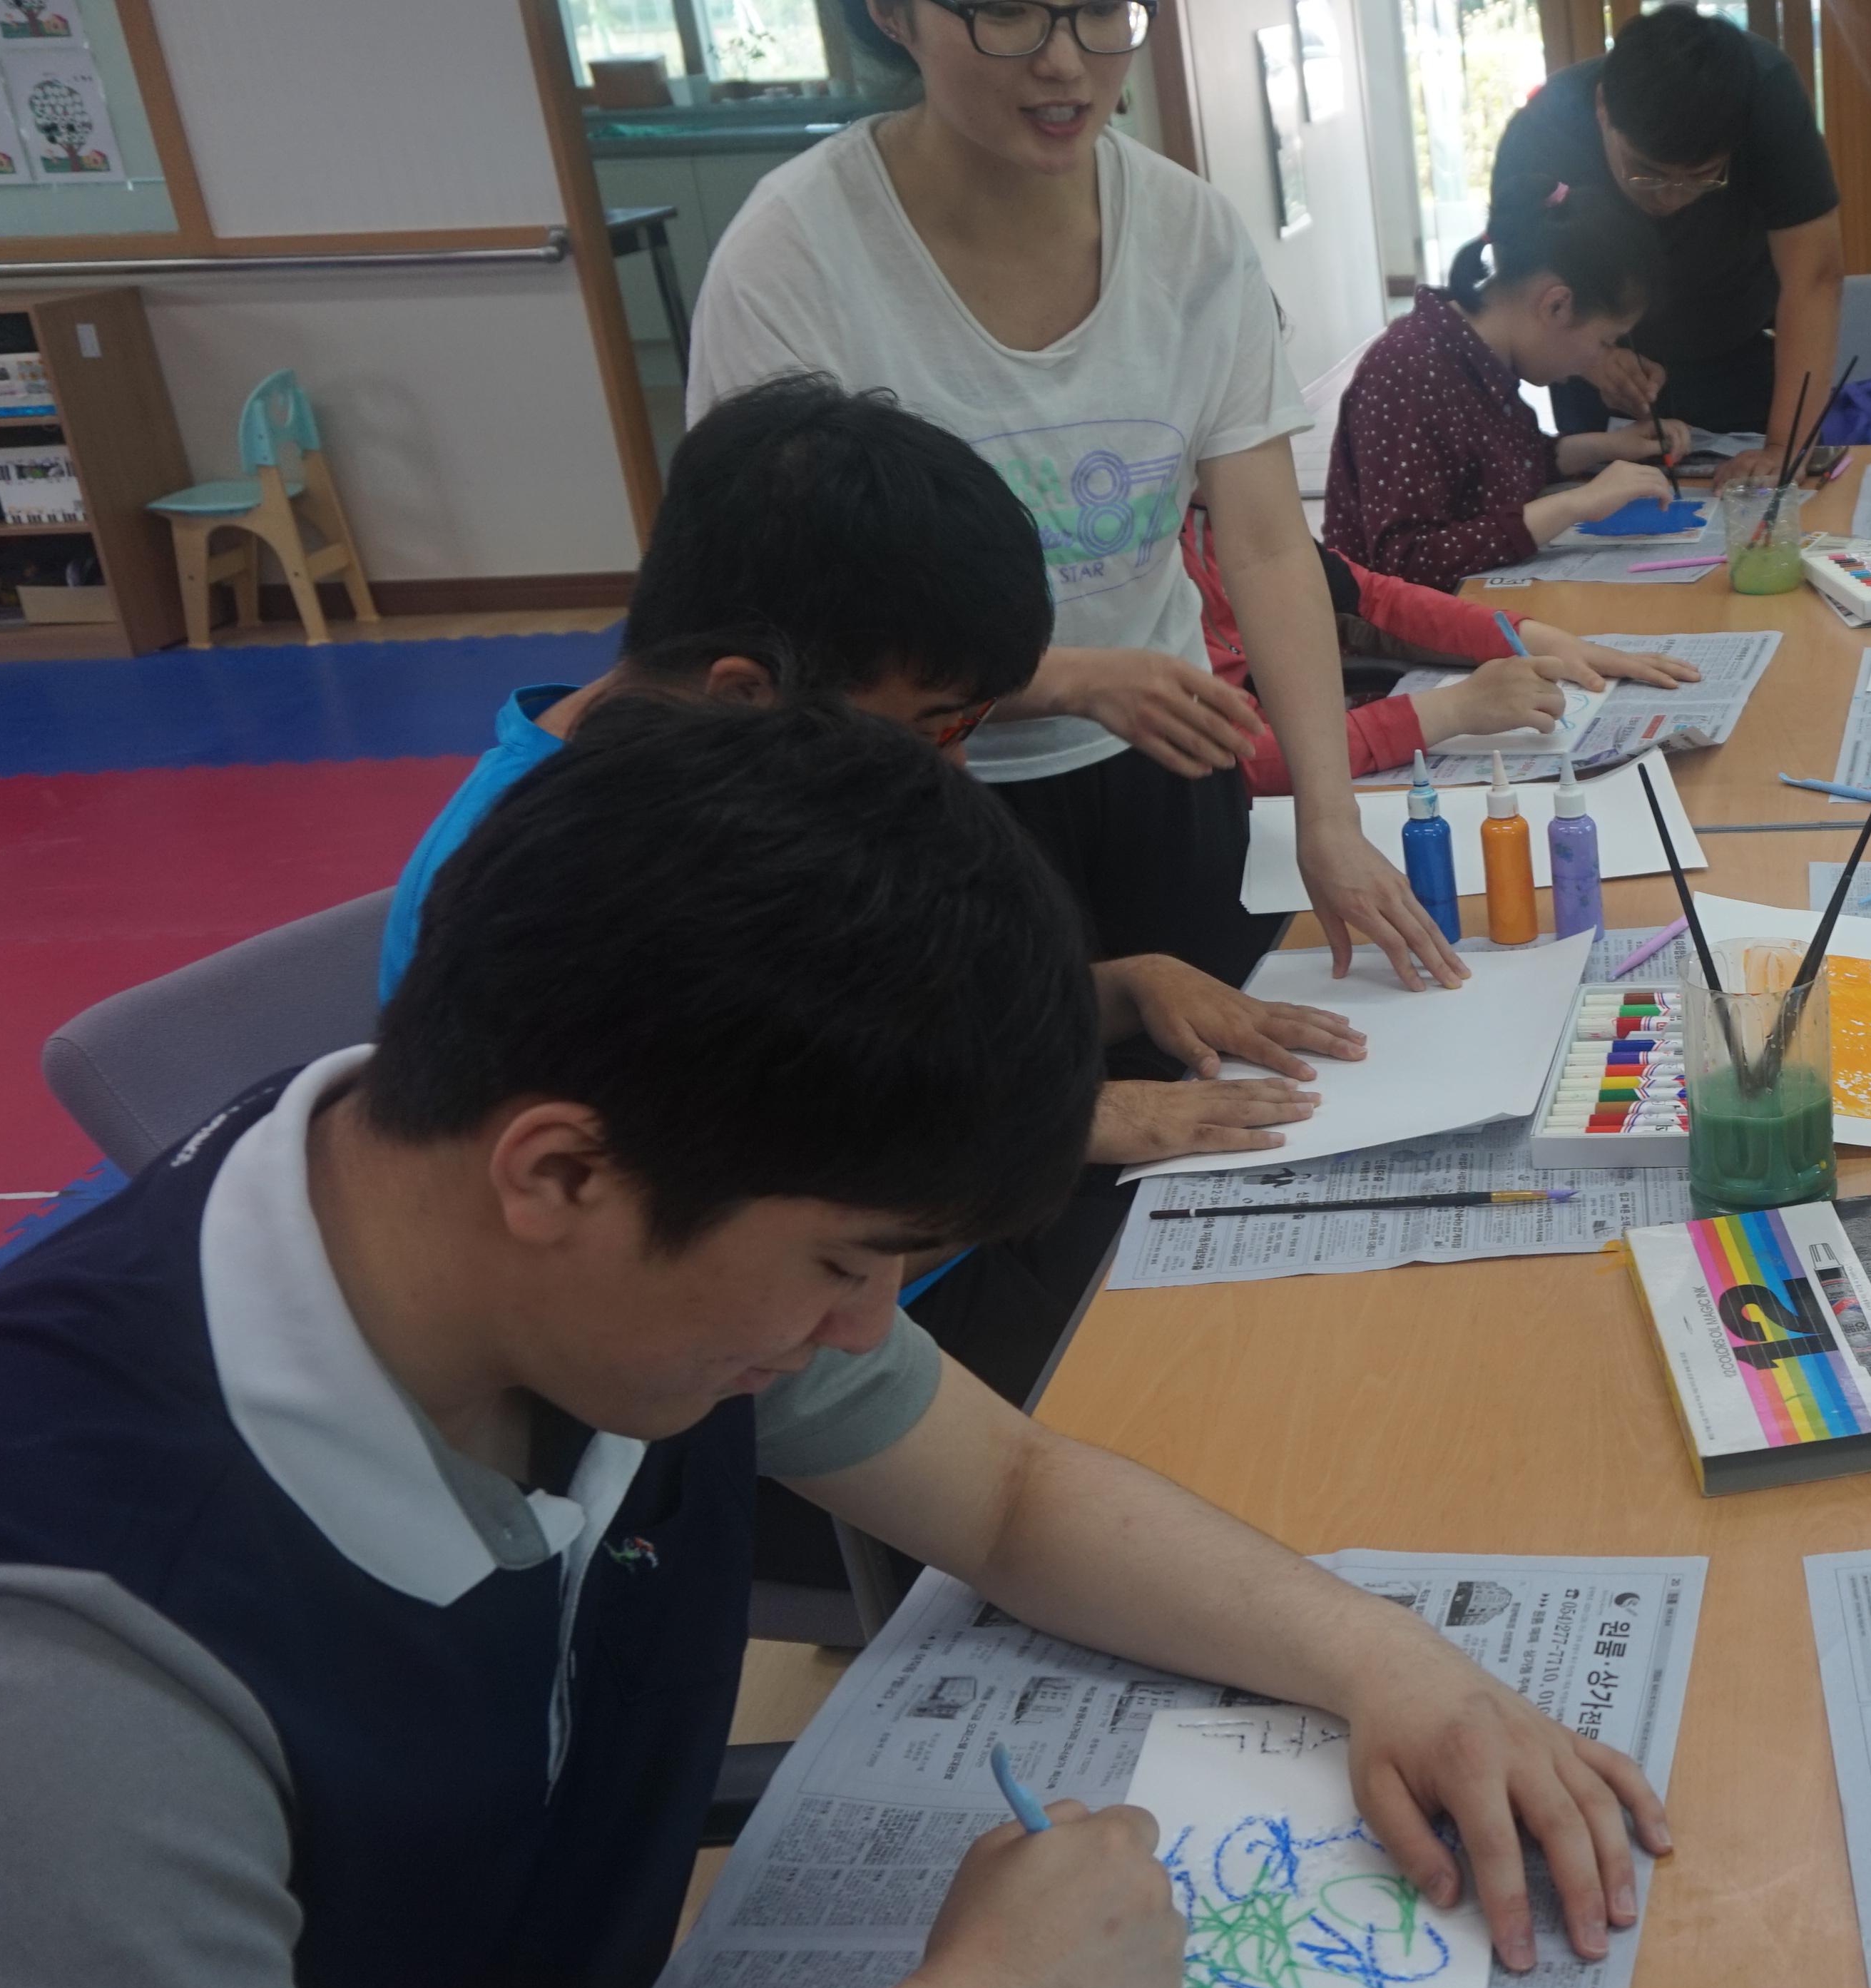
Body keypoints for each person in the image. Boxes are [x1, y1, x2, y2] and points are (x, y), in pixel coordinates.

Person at [0, 700, 1671, 1988]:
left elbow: (1006, 1490)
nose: (865, 1328)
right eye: (847, 1263)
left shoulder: (557, 1237)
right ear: (558, 1173)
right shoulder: (63, 1669)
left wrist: (1387, 1663)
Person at [386, 377, 1350, 1178]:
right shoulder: (537, 888)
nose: (956, 766)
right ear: (747, 695)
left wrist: (1125, 988)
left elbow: (863, 1037)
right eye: (934, 728)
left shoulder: (734, 785)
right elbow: (703, 1199)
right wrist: (1056, 1124)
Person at [688, 0, 1460, 992]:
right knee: (993, 1073)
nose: (1064, 62)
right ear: (893, 15)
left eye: (1100, 10)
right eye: (1009, 12)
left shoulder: (1189, 232)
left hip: (1169, 762)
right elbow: (789, 619)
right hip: (923, 776)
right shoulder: (794, 253)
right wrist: (1067, 679)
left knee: (1213, 1050)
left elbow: (1267, 544)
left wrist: (1328, 814)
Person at [1489, 4, 1842, 476]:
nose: (1671, 197)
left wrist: (1785, 448)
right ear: (1602, 108)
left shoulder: (1765, 97)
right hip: (1590, 364)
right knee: (1607, 505)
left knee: (1760, 499)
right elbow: (1520, 298)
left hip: (1739, 350)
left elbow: (1814, 278)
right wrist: (1595, 360)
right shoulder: (1544, 132)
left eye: (1701, 178)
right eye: (1646, 172)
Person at [1322, 187, 1687, 588]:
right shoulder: (1413, 367)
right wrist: (1576, 504)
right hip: (1399, 617)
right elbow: (1405, 560)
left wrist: (1610, 446)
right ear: (1556, 305)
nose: (1601, 359)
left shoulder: (1482, 355)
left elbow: (1515, 462)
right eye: (1605, 341)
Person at [1182, 519, 1701, 794]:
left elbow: (1375, 598)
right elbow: (1239, 762)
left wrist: (1539, 637)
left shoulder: (1236, 521)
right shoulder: (1159, 579)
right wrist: (1450, 710)